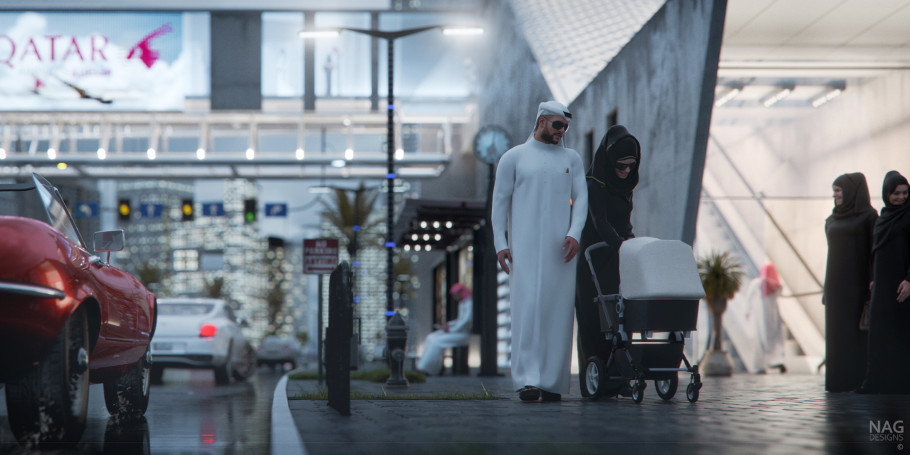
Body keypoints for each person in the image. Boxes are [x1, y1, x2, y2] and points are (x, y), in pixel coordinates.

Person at [491, 100, 587, 402]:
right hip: (524, 251)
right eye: (557, 125)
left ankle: (553, 382)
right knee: (527, 311)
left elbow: (581, 199)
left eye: (566, 127)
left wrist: (574, 233)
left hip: (562, 253)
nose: (562, 131)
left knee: (558, 313)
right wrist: (501, 244)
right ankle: (528, 380)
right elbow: (498, 205)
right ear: (541, 121)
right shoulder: (514, 157)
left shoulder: (572, 158)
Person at [574, 125, 640, 397]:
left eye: (630, 166)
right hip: (594, 259)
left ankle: (621, 376)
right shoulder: (594, 184)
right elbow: (600, 223)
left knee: (621, 318)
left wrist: (634, 244)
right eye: (620, 166)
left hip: (618, 257)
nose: (625, 171)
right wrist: (623, 245)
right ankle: (596, 376)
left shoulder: (625, 185)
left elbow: (624, 224)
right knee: (594, 320)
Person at [856, 170, 910, 394]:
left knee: (902, 333)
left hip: (901, 286)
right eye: (895, 193)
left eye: (905, 193)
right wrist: (873, 279)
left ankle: (902, 383)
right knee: (879, 334)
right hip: (882, 284)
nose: (901, 197)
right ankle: (876, 382)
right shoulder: (883, 218)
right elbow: (874, 252)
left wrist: (909, 280)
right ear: (886, 194)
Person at [823, 172, 876, 392]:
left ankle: (856, 380)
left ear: (852, 191)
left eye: (839, 190)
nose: (835, 195)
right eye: (834, 190)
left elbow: (874, 251)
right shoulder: (832, 218)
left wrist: (873, 280)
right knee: (836, 334)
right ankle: (836, 381)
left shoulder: (868, 216)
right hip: (835, 285)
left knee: (855, 333)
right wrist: (826, 287)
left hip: (857, 284)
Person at [415, 283, 473, 376]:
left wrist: (451, 330)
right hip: (456, 331)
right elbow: (460, 320)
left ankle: (426, 369)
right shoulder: (462, 303)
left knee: (435, 342)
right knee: (430, 337)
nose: (454, 297)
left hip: (463, 334)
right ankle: (423, 367)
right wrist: (449, 325)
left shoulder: (469, 303)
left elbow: (466, 320)